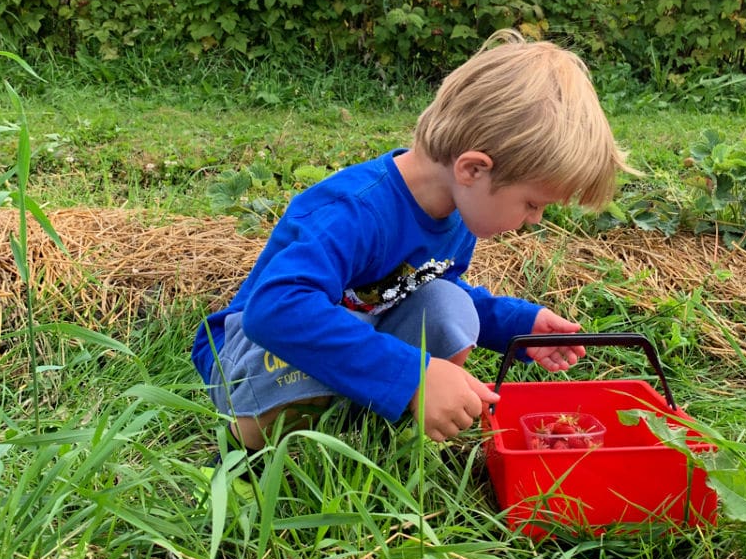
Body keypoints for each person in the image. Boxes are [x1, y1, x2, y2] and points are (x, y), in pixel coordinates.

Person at [192, 30, 629, 450]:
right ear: (473, 169)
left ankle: (381, 425)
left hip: (352, 330)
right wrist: (414, 374)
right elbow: (275, 310)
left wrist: (520, 324)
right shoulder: (355, 210)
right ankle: (244, 452)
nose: (533, 220)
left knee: (446, 305)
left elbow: (416, 289)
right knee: (301, 346)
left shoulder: (456, 213)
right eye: (532, 203)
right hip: (251, 351)